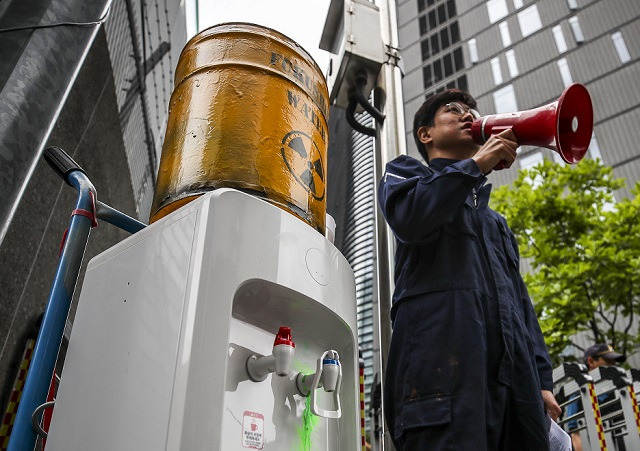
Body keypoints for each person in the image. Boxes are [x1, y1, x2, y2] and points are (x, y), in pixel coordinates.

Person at [377, 89, 561, 450]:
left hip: (515, 388)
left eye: (472, 111)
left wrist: (541, 380)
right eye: (454, 110)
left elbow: (522, 308)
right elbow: (411, 219)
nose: (469, 115)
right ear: (425, 134)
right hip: (439, 380)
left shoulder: (497, 224)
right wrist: (475, 166)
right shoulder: (404, 173)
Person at [566, 344, 626, 451]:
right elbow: (576, 434)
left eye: (613, 361)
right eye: (608, 360)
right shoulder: (578, 393)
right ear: (591, 361)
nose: (613, 365)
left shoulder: (618, 389)